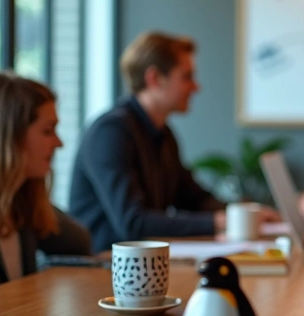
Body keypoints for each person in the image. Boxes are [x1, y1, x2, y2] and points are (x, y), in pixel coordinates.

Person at [70, 31, 282, 252]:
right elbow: (134, 223)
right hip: (101, 269)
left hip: (142, 266)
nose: (196, 87)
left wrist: (245, 214)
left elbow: (194, 198)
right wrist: (220, 222)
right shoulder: (110, 132)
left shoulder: (164, 134)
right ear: (154, 79)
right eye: (187, 77)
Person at [0, 73, 91, 293]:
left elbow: (79, 241)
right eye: (48, 131)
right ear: (9, 137)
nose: (59, 143)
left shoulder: (20, 198)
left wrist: (40, 202)